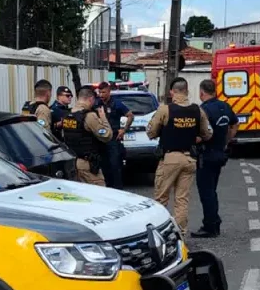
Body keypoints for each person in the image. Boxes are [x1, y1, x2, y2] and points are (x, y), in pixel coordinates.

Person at [147, 77, 212, 237]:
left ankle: (159, 235)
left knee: (161, 198)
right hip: (189, 158)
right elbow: (207, 134)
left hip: (170, 158)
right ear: (187, 91)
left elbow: (151, 132)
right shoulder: (198, 110)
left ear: (172, 92)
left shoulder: (165, 110)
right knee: (182, 199)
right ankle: (181, 234)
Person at [191, 79, 239, 239]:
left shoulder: (203, 110)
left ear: (202, 92)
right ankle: (214, 222)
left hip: (206, 154)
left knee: (206, 192)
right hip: (220, 153)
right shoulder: (224, 106)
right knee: (212, 190)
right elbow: (235, 124)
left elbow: (199, 134)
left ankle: (210, 226)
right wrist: (226, 140)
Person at [62, 87, 113, 186]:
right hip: (87, 164)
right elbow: (107, 136)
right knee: (100, 194)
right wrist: (103, 118)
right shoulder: (89, 116)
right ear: (90, 99)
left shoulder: (68, 114)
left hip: (73, 163)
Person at [96, 81, 134, 189]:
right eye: (100, 92)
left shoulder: (116, 104)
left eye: (103, 92)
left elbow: (130, 116)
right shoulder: (97, 104)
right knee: (104, 167)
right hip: (101, 140)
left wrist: (124, 130)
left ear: (109, 92)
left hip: (113, 140)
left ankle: (118, 190)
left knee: (115, 167)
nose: (101, 95)